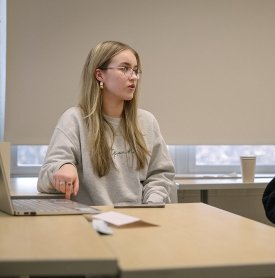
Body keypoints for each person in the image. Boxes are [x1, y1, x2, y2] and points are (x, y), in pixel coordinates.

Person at [37, 40, 175, 206]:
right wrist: (63, 167)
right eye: (124, 68)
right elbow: (44, 179)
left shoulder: (147, 121)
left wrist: (152, 204)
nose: (134, 77)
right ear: (99, 75)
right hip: (90, 223)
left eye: (136, 70)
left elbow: (160, 174)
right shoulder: (74, 119)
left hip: (138, 220)